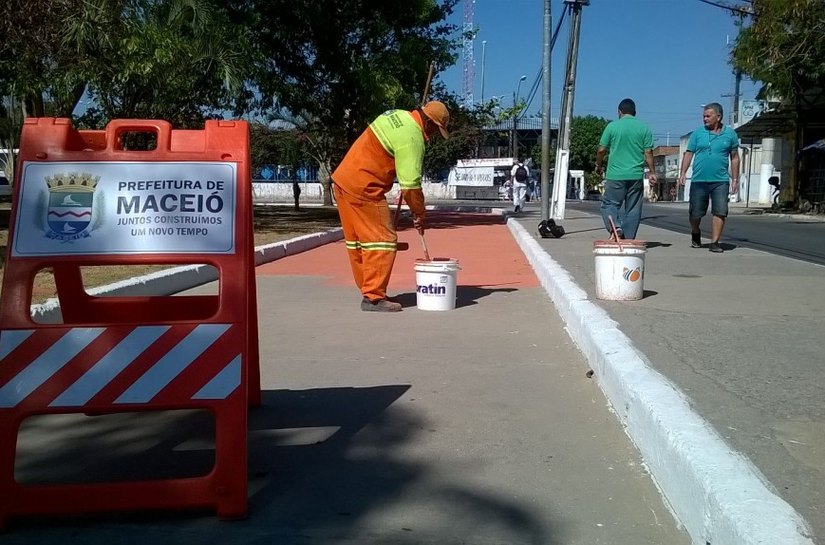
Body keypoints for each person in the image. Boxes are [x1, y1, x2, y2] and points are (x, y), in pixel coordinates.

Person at [331, 101, 450, 312]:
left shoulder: (396, 115)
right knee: (383, 241)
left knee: (358, 242)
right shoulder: (413, 137)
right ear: (430, 123)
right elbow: (411, 185)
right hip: (364, 187)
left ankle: (369, 290)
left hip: (343, 180)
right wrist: (419, 213)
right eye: (435, 130)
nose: (432, 136)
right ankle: (374, 297)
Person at [678, 103, 740, 253]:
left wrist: (735, 179)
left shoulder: (730, 134)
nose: (704, 119)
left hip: (721, 181)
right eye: (704, 116)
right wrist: (683, 173)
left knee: (720, 211)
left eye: (708, 116)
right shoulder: (697, 133)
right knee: (695, 213)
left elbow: (735, 158)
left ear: (718, 117)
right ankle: (695, 231)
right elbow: (689, 153)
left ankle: (715, 242)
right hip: (699, 180)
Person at [594, 98, 657, 240]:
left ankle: (615, 227)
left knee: (609, 204)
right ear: (635, 112)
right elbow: (648, 152)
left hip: (615, 175)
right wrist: (652, 172)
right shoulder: (644, 128)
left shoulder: (612, 127)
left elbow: (601, 150)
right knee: (633, 209)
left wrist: (598, 165)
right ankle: (628, 240)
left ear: (619, 112)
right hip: (635, 175)